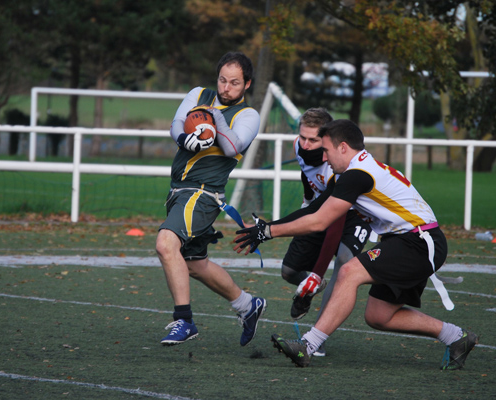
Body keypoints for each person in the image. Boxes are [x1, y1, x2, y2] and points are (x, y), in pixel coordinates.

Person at [235, 119, 478, 370]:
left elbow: (319, 222)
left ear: (342, 147)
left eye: (326, 150)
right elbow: (315, 208)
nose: (325, 158)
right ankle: (456, 337)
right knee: (378, 317)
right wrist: (266, 226)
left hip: (418, 241)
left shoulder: (357, 174)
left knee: (349, 270)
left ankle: (307, 346)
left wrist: (269, 232)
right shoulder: (356, 171)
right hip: (413, 240)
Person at [157, 52, 266, 347]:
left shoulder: (249, 115)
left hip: (203, 193)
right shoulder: (198, 94)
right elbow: (176, 124)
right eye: (222, 80)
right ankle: (247, 305)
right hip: (179, 189)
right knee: (193, 263)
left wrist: (214, 118)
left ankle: (184, 320)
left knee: (166, 244)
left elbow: (233, 147)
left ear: (246, 85)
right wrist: (184, 139)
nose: (226, 88)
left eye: (234, 83)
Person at [281, 108, 370, 357]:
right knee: (288, 272)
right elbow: (305, 172)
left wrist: (317, 274)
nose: (306, 145)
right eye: (303, 138)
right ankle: (314, 286)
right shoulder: (299, 146)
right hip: (321, 209)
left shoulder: (339, 168)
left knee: (343, 265)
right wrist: (307, 199)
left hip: (355, 215)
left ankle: (316, 339)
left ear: (328, 140)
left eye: (314, 140)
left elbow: (334, 225)